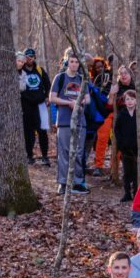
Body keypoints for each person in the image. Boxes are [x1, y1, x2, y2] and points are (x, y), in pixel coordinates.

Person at [50, 53, 91, 195]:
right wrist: (69, 103)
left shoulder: (82, 79)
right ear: (68, 62)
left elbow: (88, 99)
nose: (74, 64)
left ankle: (78, 182)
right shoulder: (60, 78)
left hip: (80, 122)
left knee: (79, 152)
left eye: (76, 62)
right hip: (64, 121)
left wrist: (78, 103)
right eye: (71, 61)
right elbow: (52, 98)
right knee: (64, 152)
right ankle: (63, 182)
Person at [19, 48, 51, 166]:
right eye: (27, 56)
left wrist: (47, 97)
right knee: (28, 132)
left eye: (32, 56)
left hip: (40, 104)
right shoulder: (20, 71)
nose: (29, 58)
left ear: (34, 57)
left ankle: (45, 156)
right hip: (26, 105)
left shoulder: (40, 70)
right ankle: (29, 156)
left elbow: (48, 85)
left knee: (42, 131)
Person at [113, 91, 139, 203]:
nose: (130, 102)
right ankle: (127, 193)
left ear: (136, 101)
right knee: (127, 171)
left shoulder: (139, 114)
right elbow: (116, 130)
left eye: (132, 99)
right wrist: (121, 144)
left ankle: (137, 192)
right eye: (127, 99)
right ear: (124, 101)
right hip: (125, 148)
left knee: (136, 171)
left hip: (137, 148)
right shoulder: (122, 114)